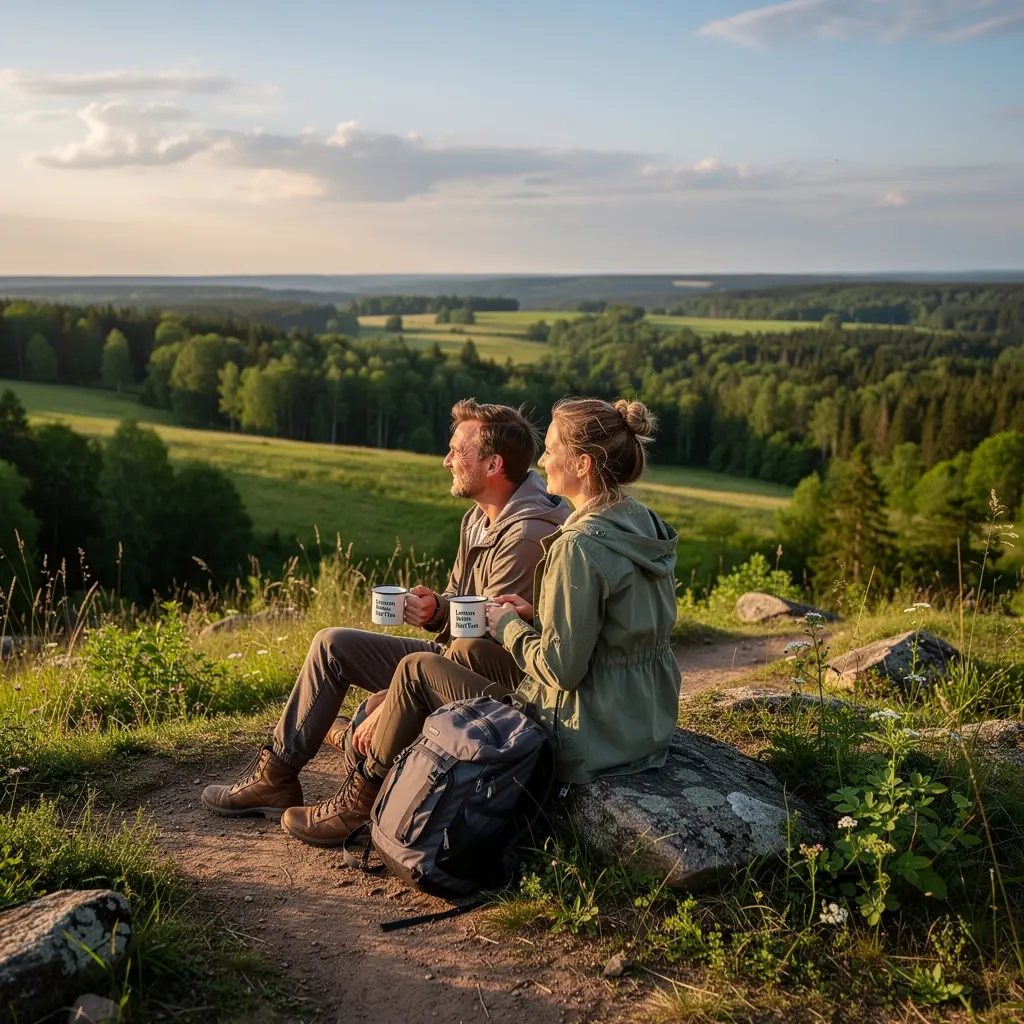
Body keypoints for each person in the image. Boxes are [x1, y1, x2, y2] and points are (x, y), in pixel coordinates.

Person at [281, 397, 679, 846]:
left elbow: (563, 670)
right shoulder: (639, 524)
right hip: (640, 721)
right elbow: (615, 628)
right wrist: (535, 614)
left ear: (583, 464)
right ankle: (362, 737)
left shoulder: (577, 545)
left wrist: (509, 625)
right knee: (467, 649)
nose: (542, 461)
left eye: (550, 451)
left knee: (415, 671)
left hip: (587, 734)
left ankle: (358, 803)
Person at [202, 399, 568, 824]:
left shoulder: (526, 535)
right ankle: (277, 776)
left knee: (383, 701)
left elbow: (484, 645)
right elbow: (461, 604)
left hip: (489, 687)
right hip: (452, 657)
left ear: (493, 465)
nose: (446, 460)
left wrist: (392, 699)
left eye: (457, 451)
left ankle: (353, 768)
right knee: (332, 645)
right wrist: (435, 610)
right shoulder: (477, 517)